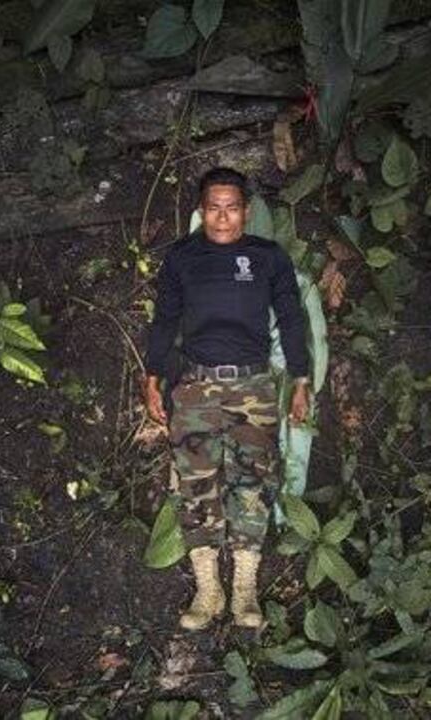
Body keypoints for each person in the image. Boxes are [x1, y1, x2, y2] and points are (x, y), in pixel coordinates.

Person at [142, 167, 311, 630]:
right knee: (196, 483)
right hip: (194, 386)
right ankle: (207, 590)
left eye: (231, 208)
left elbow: (293, 320)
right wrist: (153, 374)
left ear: (246, 211)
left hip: (253, 388)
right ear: (201, 211)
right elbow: (164, 320)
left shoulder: (268, 258)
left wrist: (300, 378)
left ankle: (244, 590)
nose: (222, 218)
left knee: (252, 483)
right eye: (213, 208)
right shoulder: (181, 258)